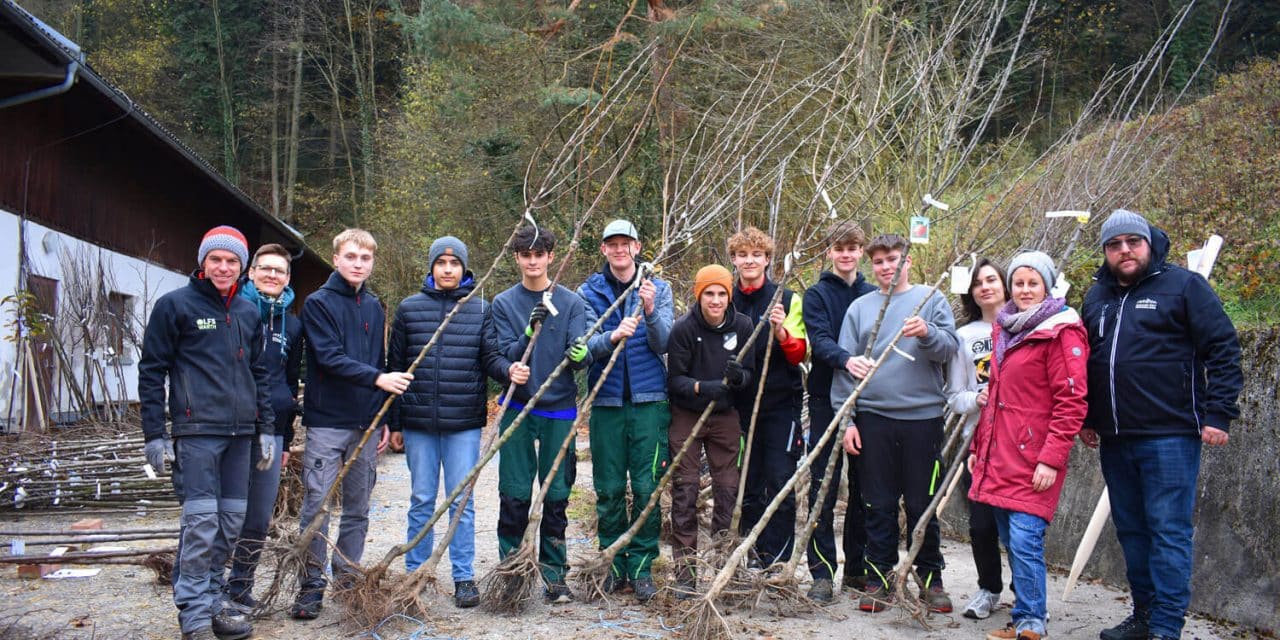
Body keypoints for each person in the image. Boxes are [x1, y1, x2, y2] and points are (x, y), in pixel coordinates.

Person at [1081, 209, 1243, 640]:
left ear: (1149, 242)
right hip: (1115, 438)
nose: (1124, 251)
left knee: (1167, 531)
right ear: (1105, 253)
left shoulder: (1184, 287)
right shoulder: (1096, 297)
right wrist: (1089, 418)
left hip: (1170, 436)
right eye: (1114, 245)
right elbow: (1089, 363)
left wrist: (1218, 412)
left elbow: (1223, 348)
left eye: (1132, 241)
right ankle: (1144, 617)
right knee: (1132, 532)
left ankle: (1166, 627)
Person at [138, 225, 274, 640]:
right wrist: (154, 433)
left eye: (232, 261)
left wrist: (266, 428)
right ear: (203, 261)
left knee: (231, 522)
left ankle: (215, 600)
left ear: (243, 268)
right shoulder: (174, 306)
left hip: (240, 437)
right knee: (201, 524)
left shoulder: (250, 312)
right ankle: (195, 615)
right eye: (216, 259)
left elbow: (260, 374)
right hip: (196, 433)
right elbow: (151, 372)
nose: (223, 267)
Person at [387, 236, 525, 608]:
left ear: (464, 268)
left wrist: (508, 370)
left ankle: (463, 575)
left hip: (463, 422)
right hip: (418, 422)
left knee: (461, 500)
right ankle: (417, 571)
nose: (448, 269)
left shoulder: (480, 309)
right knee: (421, 499)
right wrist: (395, 423)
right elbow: (395, 367)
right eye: (441, 263)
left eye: (454, 263)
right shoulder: (409, 309)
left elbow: (490, 358)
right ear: (431, 267)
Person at [831, 233, 959, 614]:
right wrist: (847, 422)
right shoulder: (859, 308)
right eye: (881, 261)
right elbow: (846, 371)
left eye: (894, 259)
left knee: (923, 503)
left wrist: (927, 333)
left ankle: (930, 578)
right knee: (878, 503)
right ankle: (878, 577)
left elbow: (949, 349)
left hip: (923, 419)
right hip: (874, 419)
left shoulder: (929, 300)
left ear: (908, 261)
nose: (887, 267)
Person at [968, 251, 1089, 640]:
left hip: (1035, 456)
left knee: (1024, 538)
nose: (1024, 290)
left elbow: (1072, 400)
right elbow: (996, 398)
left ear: (1047, 286)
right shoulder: (1007, 328)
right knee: (1009, 538)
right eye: (1018, 283)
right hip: (1000, 453)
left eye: (1032, 283)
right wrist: (977, 448)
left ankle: (1033, 622)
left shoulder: (1061, 330)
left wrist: (1052, 459)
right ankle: (1023, 617)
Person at [292, 229, 412, 620]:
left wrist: (380, 419)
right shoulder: (318, 303)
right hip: (328, 422)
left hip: (365, 422)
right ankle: (311, 586)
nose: (359, 263)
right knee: (317, 506)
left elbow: (377, 360)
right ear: (337, 257)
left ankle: (346, 579)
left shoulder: (375, 307)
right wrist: (378, 380)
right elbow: (328, 357)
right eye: (351, 256)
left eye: (365, 258)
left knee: (359, 508)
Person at [488, 225, 590, 603]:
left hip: (559, 408)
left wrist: (583, 355)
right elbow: (500, 356)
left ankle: (554, 574)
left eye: (539, 254)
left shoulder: (572, 302)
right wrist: (529, 333)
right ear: (516, 258)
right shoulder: (503, 303)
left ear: (550, 257)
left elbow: (579, 355)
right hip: (517, 407)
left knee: (556, 494)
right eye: (525, 255)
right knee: (514, 493)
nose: (532, 261)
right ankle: (512, 571)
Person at [576, 220, 674, 602]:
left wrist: (649, 309)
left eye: (626, 243)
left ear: (638, 247)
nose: (619, 250)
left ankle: (642, 566)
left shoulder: (658, 288)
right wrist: (610, 337)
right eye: (612, 244)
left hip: (650, 401)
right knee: (610, 488)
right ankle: (613, 564)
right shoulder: (589, 292)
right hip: (607, 403)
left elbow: (665, 341)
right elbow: (583, 347)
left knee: (648, 487)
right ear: (603, 250)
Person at [666, 264, 755, 598]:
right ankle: (685, 574)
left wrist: (739, 378)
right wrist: (704, 387)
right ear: (698, 294)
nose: (715, 300)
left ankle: (723, 567)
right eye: (709, 294)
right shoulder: (684, 329)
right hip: (688, 413)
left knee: (728, 490)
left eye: (721, 293)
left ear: (729, 295)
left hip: (726, 415)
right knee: (685, 491)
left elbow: (751, 374)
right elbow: (675, 381)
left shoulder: (743, 326)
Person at [224, 243, 303, 613]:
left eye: (280, 271)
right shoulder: (232, 312)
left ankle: (240, 588)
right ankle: (208, 589)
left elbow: (289, 384)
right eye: (266, 269)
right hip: (231, 428)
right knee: (224, 513)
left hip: (271, 433)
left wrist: (286, 439)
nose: (273, 275)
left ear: (288, 278)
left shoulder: (293, 324)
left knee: (257, 516)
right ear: (251, 272)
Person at [802, 221, 877, 602]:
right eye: (838, 247)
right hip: (823, 400)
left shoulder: (875, 294)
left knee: (865, 488)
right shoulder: (816, 294)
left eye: (852, 247)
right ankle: (821, 573)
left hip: (869, 402)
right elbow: (819, 341)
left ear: (861, 251)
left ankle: (857, 570)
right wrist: (848, 361)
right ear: (829, 252)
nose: (846, 254)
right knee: (823, 490)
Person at [728, 227, 807, 569]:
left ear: (768, 260)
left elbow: (799, 354)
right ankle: (748, 556)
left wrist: (781, 332)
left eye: (756, 255)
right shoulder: (723, 297)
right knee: (746, 482)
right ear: (733, 259)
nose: (749, 260)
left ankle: (778, 560)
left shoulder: (786, 300)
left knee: (778, 480)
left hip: (779, 405)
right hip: (736, 407)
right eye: (743, 254)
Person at [946, 258, 1009, 620]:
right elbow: (955, 395)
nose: (986, 287)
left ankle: (1029, 594)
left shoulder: (1028, 327)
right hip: (978, 444)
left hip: (1019, 443)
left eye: (992, 279)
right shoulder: (965, 336)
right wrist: (977, 398)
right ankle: (989, 589)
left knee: (1020, 528)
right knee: (981, 523)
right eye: (978, 283)